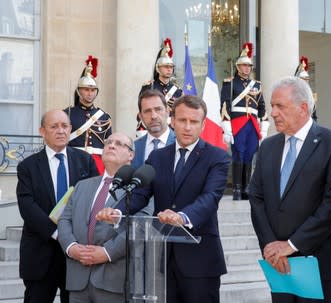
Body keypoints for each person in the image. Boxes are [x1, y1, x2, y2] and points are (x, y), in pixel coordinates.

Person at [97, 95, 230, 303]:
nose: (187, 127)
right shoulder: (158, 157)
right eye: (182, 120)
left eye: (194, 122)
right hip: (166, 261)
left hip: (201, 260)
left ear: (203, 125)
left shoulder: (217, 157)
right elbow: (141, 193)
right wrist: (118, 211)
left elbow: (210, 198)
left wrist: (183, 217)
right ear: (173, 121)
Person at [249, 76, 331, 303]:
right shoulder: (268, 146)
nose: (272, 113)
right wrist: (271, 246)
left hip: (319, 263)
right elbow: (256, 198)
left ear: (303, 108)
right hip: (278, 264)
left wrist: (292, 245)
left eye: (280, 106)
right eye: (272, 106)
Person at [16, 109, 98, 303]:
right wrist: (59, 235)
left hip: (76, 256)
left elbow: (94, 200)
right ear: (42, 131)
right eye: (54, 126)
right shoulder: (27, 167)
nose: (60, 131)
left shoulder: (85, 161)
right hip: (40, 254)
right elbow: (27, 207)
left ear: (70, 129)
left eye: (65, 126)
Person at [58, 132, 134, 303]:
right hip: (78, 279)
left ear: (131, 155)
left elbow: (139, 226)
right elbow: (64, 220)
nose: (111, 146)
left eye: (119, 144)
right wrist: (71, 247)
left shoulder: (139, 188)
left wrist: (107, 252)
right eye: (108, 142)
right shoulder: (82, 185)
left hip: (114, 280)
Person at [221, 42, 269, 200]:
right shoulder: (230, 83)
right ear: (238, 66)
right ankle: (236, 188)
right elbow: (225, 106)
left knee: (249, 155)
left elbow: (262, 108)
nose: (247, 68)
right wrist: (227, 128)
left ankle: (246, 187)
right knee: (238, 155)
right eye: (244, 65)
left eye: (249, 66)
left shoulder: (257, 85)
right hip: (238, 123)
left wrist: (263, 128)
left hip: (252, 124)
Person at [64, 55, 112, 174]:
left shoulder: (104, 116)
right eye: (86, 90)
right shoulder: (67, 113)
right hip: (74, 161)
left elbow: (108, 145)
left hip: (98, 163)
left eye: (92, 90)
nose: (90, 93)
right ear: (79, 91)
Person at [137, 38, 183, 136]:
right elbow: (142, 110)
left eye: (171, 67)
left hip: (172, 130)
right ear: (158, 68)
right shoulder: (149, 87)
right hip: (153, 127)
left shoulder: (177, 91)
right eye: (166, 67)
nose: (169, 70)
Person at [132, 89, 175, 169]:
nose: (153, 116)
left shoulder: (181, 144)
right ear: (140, 116)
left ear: (167, 111)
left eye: (158, 109)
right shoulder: (133, 148)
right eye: (147, 111)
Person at [294, 56, 317, 121]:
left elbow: (313, 113)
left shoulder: (310, 93)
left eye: (307, 79)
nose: (306, 81)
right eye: (304, 79)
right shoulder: (295, 93)